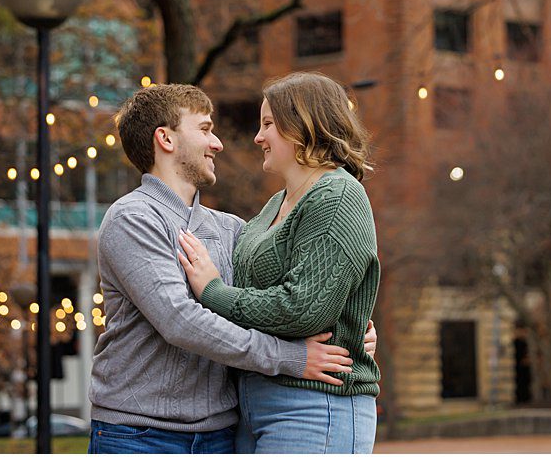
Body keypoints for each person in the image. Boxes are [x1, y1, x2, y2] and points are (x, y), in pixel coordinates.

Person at [88, 83, 371, 454]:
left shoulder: (233, 229)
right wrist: (289, 358)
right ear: (166, 139)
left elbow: (269, 299)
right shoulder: (133, 218)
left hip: (222, 434)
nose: (218, 143)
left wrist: (349, 330)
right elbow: (180, 320)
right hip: (139, 434)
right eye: (205, 129)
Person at [177, 73, 382, 455]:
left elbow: (303, 309)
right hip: (255, 400)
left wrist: (213, 292)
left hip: (315, 404)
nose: (258, 137)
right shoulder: (276, 204)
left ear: (304, 125)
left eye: (268, 124)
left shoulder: (337, 195)